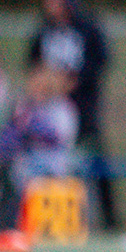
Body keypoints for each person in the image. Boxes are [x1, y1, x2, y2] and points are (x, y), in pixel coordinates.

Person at [24, 0, 116, 229]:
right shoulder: (44, 32)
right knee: (47, 159)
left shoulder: (87, 28)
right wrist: (46, 85)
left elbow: (99, 62)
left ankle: (110, 219)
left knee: (96, 159)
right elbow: (33, 64)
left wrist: (73, 83)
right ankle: (44, 217)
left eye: (55, 0)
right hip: (50, 107)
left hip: (82, 107)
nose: (50, 6)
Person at [0, 64, 80, 225]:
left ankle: (12, 224)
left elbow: (57, 138)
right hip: (24, 164)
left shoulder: (62, 109)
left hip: (51, 165)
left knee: (19, 177)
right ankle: (7, 224)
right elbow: (10, 139)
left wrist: (32, 124)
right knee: (11, 172)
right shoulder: (25, 107)